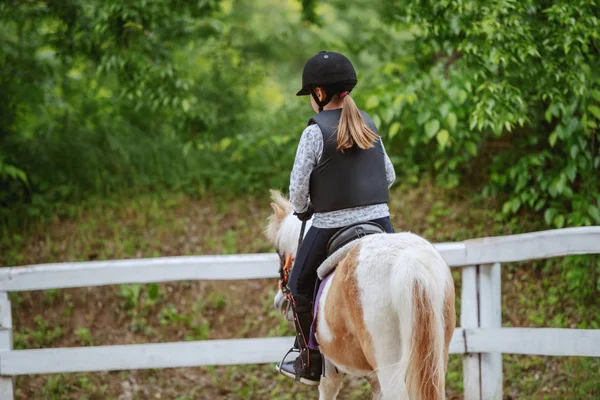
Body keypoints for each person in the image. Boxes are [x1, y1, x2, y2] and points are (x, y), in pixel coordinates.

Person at [277, 51, 396, 385]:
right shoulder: (368, 123)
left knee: (298, 284)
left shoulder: (314, 132)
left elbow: (297, 188)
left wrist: (303, 209)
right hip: (381, 223)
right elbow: (388, 175)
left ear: (318, 93)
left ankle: (310, 359)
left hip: (330, 225)